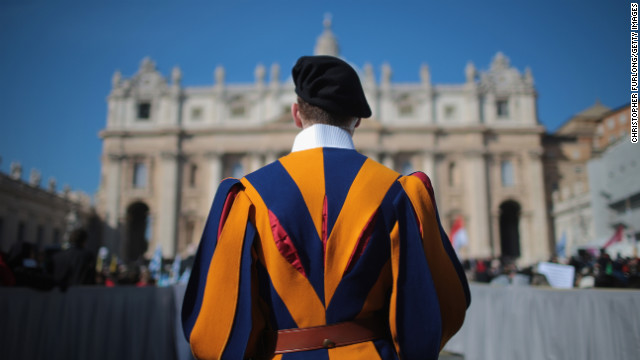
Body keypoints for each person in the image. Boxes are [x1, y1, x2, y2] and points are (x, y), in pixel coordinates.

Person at [182, 55, 470, 360]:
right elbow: (441, 305)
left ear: (296, 114)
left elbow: (215, 326)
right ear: (357, 119)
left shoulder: (247, 196)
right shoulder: (402, 192)